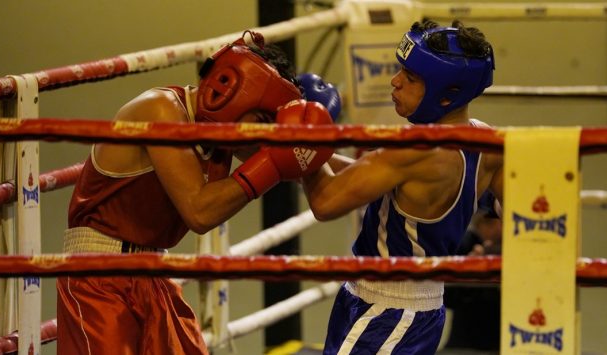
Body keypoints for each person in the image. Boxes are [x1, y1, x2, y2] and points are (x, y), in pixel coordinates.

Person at [56, 30, 335, 355]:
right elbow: (199, 212)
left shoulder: (223, 130)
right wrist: (273, 161)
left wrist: (374, 160)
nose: (258, 131)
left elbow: (303, 160)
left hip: (151, 276)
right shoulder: (159, 110)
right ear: (235, 91)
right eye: (260, 119)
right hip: (99, 278)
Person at [300, 20, 503, 354]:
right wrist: (311, 153)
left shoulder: (416, 151)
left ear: (445, 94)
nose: (395, 82)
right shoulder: (486, 141)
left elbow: (325, 201)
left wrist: (302, 139)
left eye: (410, 78)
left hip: (387, 313)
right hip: (412, 305)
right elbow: (365, 178)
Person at [444, 194, 503, 352]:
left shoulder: (509, 248)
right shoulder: (465, 243)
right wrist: (470, 270)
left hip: (497, 339)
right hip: (467, 339)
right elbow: (447, 297)